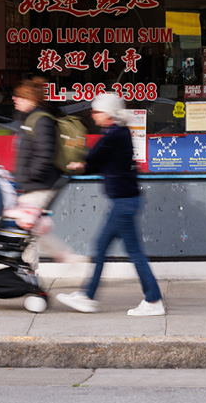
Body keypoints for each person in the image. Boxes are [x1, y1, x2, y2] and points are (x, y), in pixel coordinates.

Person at [56, 93, 165, 316]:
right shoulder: (117, 133)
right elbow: (100, 162)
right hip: (123, 201)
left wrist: (79, 163)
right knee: (101, 247)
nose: (92, 115)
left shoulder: (115, 134)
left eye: (96, 111)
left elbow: (94, 158)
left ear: (108, 114)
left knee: (134, 253)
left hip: (124, 203)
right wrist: (85, 165)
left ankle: (153, 300)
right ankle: (88, 296)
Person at [10, 77, 84, 266]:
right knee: (31, 228)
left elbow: (44, 155)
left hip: (41, 185)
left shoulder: (41, 120)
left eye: (19, 96)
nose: (14, 99)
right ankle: (34, 270)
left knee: (26, 224)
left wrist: (27, 176)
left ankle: (60, 259)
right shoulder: (28, 119)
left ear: (31, 99)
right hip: (33, 185)